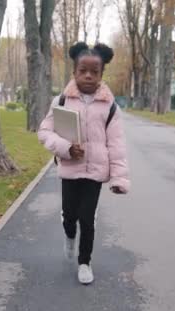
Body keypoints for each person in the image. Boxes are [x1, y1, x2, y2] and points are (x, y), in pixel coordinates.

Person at [38, 42, 130, 285]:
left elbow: (117, 144)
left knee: (87, 218)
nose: (88, 75)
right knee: (70, 216)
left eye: (94, 71)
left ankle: (84, 262)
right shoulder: (61, 101)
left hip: (96, 174)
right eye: (83, 70)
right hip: (70, 170)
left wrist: (119, 178)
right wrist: (66, 148)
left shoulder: (110, 107)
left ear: (101, 74)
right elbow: (45, 132)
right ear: (74, 72)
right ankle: (69, 235)